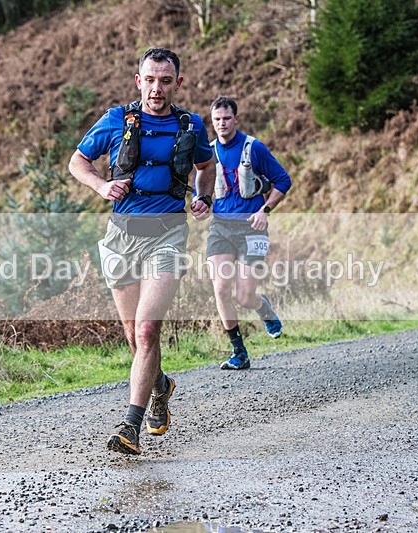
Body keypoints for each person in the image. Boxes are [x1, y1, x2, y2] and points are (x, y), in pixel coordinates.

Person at [69, 48, 215, 455]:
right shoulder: (117, 120)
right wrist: (101, 186)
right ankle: (161, 384)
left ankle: (129, 426)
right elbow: (77, 161)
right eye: (150, 80)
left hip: (168, 233)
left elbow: (206, 167)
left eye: (165, 81)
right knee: (134, 334)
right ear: (139, 81)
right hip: (121, 235)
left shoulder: (191, 124)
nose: (157, 88)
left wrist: (204, 198)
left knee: (149, 328)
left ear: (178, 83)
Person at [204, 96, 292, 370]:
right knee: (220, 287)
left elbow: (283, 180)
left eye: (227, 118)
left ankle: (263, 307)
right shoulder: (207, 153)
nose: (222, 124)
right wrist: (199, 200)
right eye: (217, 119)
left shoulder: (254, 148)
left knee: (244, 296)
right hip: (220, 227)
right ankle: (238, 351)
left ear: (236, 119)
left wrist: (264, 210)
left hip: (252, 228)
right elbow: (201, 187)